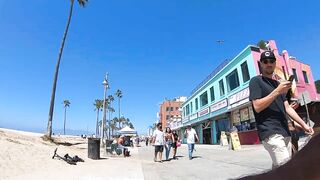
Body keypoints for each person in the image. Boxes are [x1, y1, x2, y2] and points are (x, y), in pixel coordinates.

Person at [249, 50, 314, 168]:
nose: (269, 64)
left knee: (279, 172)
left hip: (285, 132)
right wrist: (277, 91)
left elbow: (287, 108)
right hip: (271, 133)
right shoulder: (256, 81)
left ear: (275, 63)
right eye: (265, 61)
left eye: (272, 61)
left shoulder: (278, 84)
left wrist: (304, 125)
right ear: (261, 64)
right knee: (289, 171)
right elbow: (257, 107)